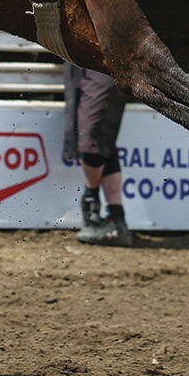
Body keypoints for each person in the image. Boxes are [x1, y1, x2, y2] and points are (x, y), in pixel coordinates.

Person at [63, 64, 131, 246]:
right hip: (84, 57)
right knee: (101, 137)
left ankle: (92, 208)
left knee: (91, 133)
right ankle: (116, 220)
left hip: (104, 58)